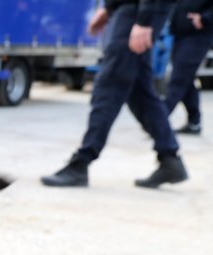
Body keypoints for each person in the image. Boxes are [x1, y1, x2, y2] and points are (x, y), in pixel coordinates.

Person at [41, 0, 188, 190]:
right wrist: (109, 7)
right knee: (139, 92)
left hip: (139, 10)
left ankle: (82, 162)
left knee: (109, 85)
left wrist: (144, 19)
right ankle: (170, 159)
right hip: (132, 9)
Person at [164, 0, 213, 134]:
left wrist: (206, 17)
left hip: (198, 33)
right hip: (180, 30)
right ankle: (194, 122)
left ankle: (158, 120)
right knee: (186, 77)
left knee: (179, 78)